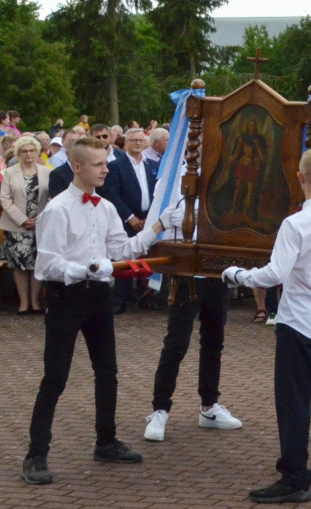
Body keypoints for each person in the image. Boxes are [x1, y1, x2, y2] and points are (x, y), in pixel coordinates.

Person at [21, 136, 174, 485]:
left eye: (106, 162)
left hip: (98, 299)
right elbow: (47, 265)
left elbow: (124, 250)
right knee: (55, 377)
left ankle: (106, 441)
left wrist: (159, 224)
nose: (106, 168)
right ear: (77, 167)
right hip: (66, 297)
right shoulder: (58, 209)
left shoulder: (105, 208)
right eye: (98, 164)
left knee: (108, 372)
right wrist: (87, 268)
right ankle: (35, 454)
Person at [223, 148, 311, 504]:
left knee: (294, 400)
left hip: (298, 320)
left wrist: (237, 274)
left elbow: (275, 273)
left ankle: (294, 476)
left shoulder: (295, 223)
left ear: (300, 178)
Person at [142, 197, 242, 442]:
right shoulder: (179, 187)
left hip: (216, 274)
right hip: (186, 277)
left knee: (213, 342)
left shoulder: (222, 193)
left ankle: (209, 406)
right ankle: (160, 409)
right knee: (176, 344)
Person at [100, 128, 160, 313]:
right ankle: (120, 299)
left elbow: (156, 193)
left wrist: (150, 218)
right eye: (133, 140)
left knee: (147, 259)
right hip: (125, 219)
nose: (138, 143)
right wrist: (130, 217)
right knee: (124, 259)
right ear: (126, 143)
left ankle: (146, 298)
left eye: (141, 140)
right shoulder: (116, 166)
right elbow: (112, 194)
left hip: (148, 218)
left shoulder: (152, 165)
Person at [1, 136, 52, 314]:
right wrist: (22, 219)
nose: (28, 154)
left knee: (37, 263)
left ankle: (36, 301)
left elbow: (52, 199)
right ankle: (23, 303)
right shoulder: (9, 173)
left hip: (40, 224)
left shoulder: (47, 171)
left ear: (37, 152)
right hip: (16, 226)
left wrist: (40, 218)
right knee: (19, 265)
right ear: (18, 153)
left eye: (32, 150)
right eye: (24, 151)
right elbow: (4, 199)